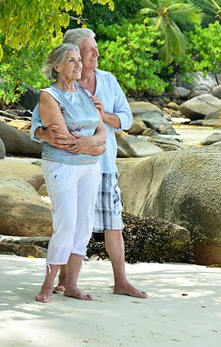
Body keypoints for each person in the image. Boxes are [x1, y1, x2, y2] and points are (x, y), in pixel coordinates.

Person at [31, 28, 147, 298]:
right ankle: (60, 282)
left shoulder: (106, 83)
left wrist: (96, 128)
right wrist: (44, 133)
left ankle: (118, 282)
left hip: (101, 164)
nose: (95, 54)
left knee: (109, 223)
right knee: (69, 222)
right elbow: (41, 124)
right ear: (66, 59)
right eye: (88, 50)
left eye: (92, 50)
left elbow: (122, 122)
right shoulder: (52, 93)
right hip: (69, 164)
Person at [35, 43, 107, 303]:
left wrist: (91, 145)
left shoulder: (87, 96)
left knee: (84, 224)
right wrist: (94, 146)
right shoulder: (49, 96)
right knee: (66, 223)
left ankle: (72, 285)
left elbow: (103, 134)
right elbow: (63, 139)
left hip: (89, 169)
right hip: (61, 166)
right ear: (57, 66)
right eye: (72, 61)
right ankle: (47, 284)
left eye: (79, 60)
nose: (79, 65)